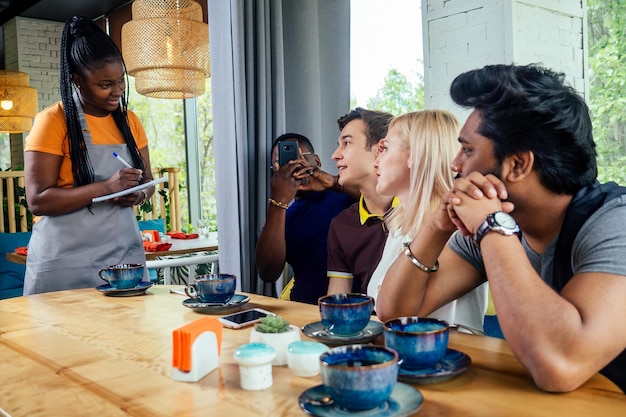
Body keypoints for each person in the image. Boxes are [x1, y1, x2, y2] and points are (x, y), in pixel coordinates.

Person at [376, 63, 626, 393]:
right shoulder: (500, 225)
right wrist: (437, 227)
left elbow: (560, 365)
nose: (455, 165)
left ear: (518, 164)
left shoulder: (614, 222)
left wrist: (492, 225)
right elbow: (394, 311)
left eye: (467, 150)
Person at [23, 16, 155, 294]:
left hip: (123, 261)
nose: (117, 91)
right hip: (65, 263)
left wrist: (138, 194)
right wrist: (106, 187)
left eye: (120, 81)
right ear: (78, 80)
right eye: (105, 84)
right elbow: (37, 200)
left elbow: (149, 180)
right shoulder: (53, 121)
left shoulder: (129, 121)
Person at [369, 110, 488, 331]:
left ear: (417, 154)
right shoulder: (399, 227)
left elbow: (394, 315)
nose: (375, 161)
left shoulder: (458, 230)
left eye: (384, 148)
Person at [255, 133, 355, 304]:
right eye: (281, 164)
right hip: (305, 306)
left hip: (355, 305)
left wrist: (332, 183)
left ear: (316, 161)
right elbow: (268, 273)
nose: (291, 166)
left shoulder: (346, 194)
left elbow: (381, 198)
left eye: (298, 158)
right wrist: (278, 202)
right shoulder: (281, 216)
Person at [326, 107, 395, 295]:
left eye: (346, 143)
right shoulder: (342, 224)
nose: (335, 155)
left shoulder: (421, 211)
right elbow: (337, 301)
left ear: (380, 149)